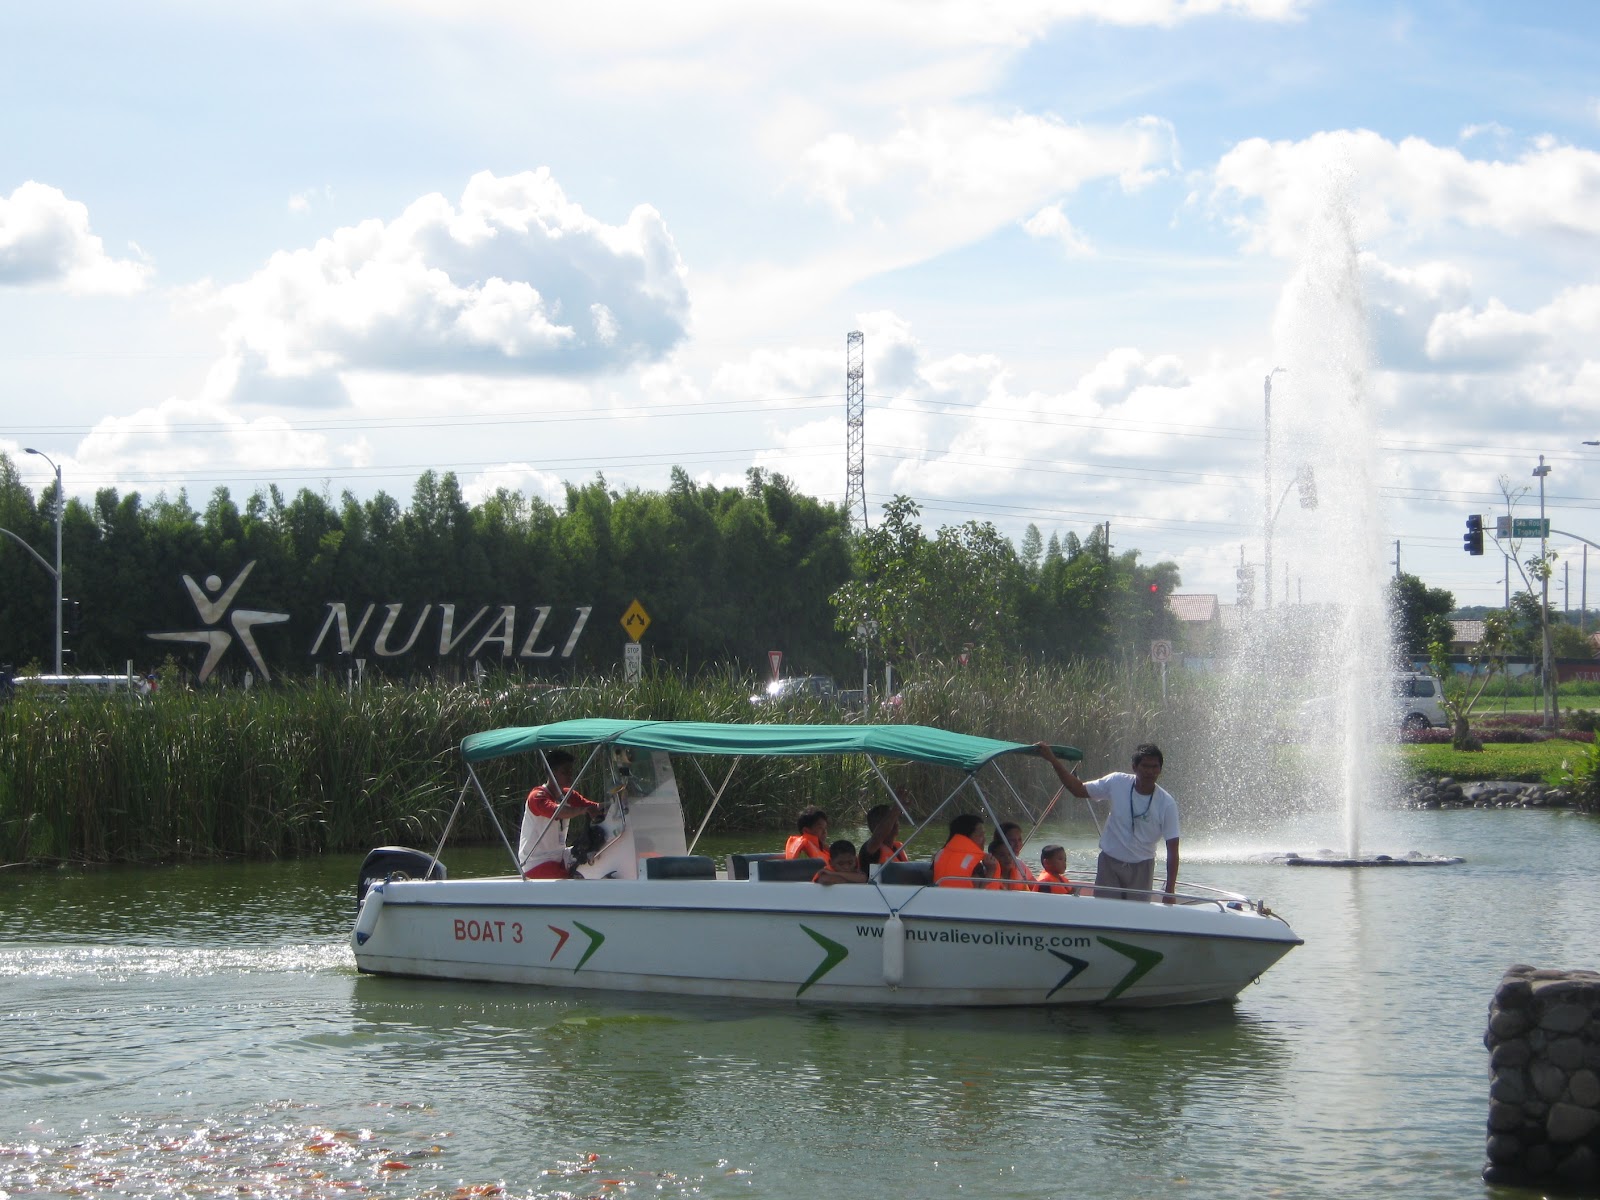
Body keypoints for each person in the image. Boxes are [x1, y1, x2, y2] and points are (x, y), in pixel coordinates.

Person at [1036, 741, 1180, 902]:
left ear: (1160, 769)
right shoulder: (1117, 782)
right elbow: (1078, 790)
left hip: (1142, 867)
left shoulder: (1167, 803)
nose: (1150, 772)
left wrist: (1170, 890)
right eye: (1145, 766)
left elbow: (1173, 850)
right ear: (1134, 767)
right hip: (1110, 863)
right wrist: (1053, 761)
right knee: (1105, 912)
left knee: (1137, 918)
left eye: (1155, 767)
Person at [519, 750, 603, 879]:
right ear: (552, 773)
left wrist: (615, 804)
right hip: (536, 863)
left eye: (571, 772)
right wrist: (582, 810)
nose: (570, 776)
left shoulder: (568, 794)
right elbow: (556, 812)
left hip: (560, 857)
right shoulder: (537, 797)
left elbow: (593, 806)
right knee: (577, 878)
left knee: (600, 852)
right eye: (565, 772)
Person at [933, 813, 999, 888]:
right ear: (966, 837)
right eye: (981, 835)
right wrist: (991, 871)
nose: (984, 839)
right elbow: (979, 895)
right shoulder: (975, 866)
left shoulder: (940, 855)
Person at [857, 802, 908, 870]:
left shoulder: (897, 847)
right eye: (891, 820)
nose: (896, 822)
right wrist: (896, 808)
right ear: (876, 826)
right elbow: (877, 837)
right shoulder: (870, 848)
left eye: (896, 819)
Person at [988, 821, 1038, 891]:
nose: (1017, 845)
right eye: (1012, 841)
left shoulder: (1020, 865)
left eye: (1019, 840)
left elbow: (1036, 887)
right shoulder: (987, 869)